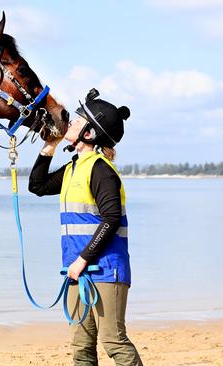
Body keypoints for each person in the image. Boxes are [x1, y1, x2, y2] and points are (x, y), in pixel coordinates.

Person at [29, 88, 142, 366]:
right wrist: (50, 146)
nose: (69, 123)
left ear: (89, 134)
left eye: (76, 121)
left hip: (106, 270)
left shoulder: (100, 169)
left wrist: (82, 260)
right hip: (77, 271)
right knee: (81, 348)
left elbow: (111, 218)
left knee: (114, 341)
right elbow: (37, 186)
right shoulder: (72, 168)